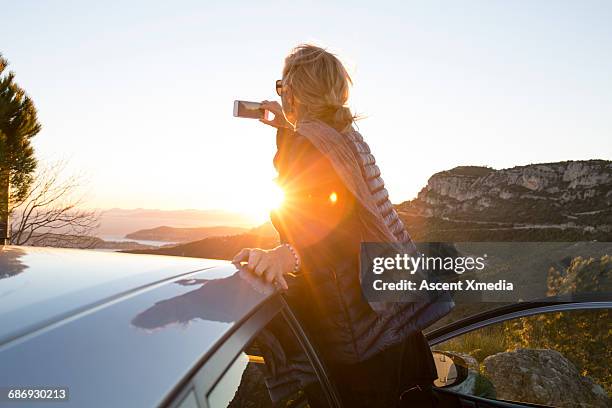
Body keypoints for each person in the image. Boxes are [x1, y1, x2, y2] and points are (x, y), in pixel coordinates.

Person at [233, 44, 453, 407]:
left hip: (360, 336)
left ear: (295, 90)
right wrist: (286, 127)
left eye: (282, 87)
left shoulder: (308, 143)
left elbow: (328, 225)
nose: (280, 94)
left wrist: (287, 255)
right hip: (393, 323)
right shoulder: (348, 137)